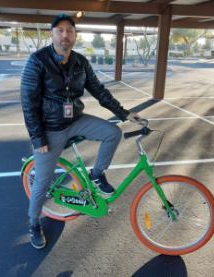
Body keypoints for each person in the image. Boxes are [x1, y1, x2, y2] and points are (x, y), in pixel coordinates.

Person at [20, 14, 140, 249]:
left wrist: (124, 113)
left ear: (75, 36)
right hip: (50, 128)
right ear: (52, 34)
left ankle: (97, 174)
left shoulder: (80, 62)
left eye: (70, 31)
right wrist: (38, 137)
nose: (65, 35)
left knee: (112, 133)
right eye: (60, 30)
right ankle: (33, 222)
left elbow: (99, 91)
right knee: (42, 182)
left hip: (75, 119)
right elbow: (28, 102)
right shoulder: (37, 61)